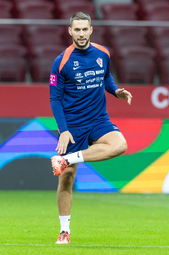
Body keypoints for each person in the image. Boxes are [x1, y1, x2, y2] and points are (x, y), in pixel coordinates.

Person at [49, 12, 132, 244]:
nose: (81, 34)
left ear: (91, 30)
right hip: (72, 124)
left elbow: (106, 77)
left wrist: (116, 91)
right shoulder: (61, 61)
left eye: (85, 29)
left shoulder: (103, 52)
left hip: (98, 119)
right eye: (77, 30)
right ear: (70, 31)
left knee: (120, 145)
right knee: (66, 179)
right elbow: (55, 99)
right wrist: (63, 130)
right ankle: (64, 231)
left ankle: (68, 158)